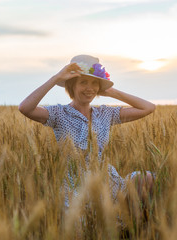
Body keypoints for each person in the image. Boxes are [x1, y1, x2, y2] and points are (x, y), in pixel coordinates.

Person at [19, 55, 156, 208]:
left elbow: (148, 107)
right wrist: (56, 78)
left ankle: (135, 227)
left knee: (147, 177)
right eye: (83, 82)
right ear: (72, 86)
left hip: (106, 181)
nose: (89, 88)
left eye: (94, 83)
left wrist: (110, 92)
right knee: (85, 223)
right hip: (75, 186)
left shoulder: (105, 114)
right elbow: (25, 108)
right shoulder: (59, 114)